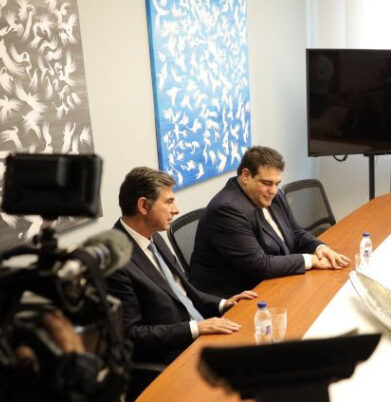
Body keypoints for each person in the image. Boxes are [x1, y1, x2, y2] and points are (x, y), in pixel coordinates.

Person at [106, 167, 256, 368]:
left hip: (201, 334)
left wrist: (223, 304)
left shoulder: (153, 236)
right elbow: (132, 335)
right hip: (173, 356)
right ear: (143, 206)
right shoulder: (115, 261)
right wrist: (195, 328)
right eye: (168, 202)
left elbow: (184, 293)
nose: (176, 209)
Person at [190, 146, 350, 297]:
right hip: (237, 295)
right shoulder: (227, 210)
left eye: (277, 183)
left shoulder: (273, 194)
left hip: (272, 280)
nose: (273, 191)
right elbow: (260, 265)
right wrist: (311, 260)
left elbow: (295, 232)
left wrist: (319, 248)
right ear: (246, 176)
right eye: (266, 183)